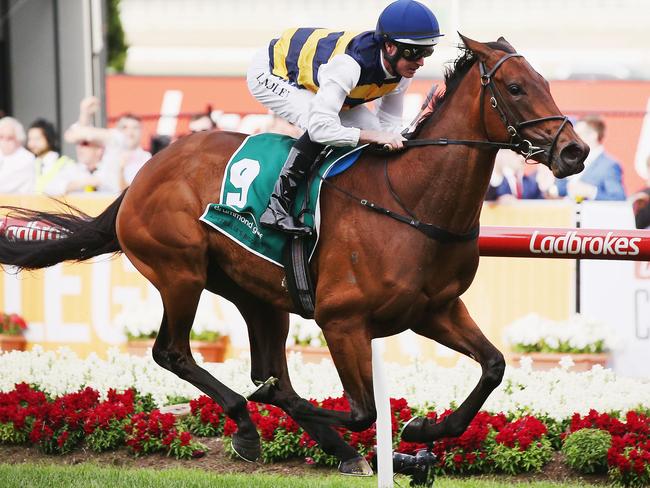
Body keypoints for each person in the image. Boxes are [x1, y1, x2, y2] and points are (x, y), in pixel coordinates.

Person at [247, 0, 443, 235]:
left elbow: (388, 127)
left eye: (427, 52)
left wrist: (397, 134)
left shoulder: (402, 72)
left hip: (320, 80)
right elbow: (320, 129)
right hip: (272, 71)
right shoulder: (349, 66)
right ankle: (277, 206)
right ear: (390, 47)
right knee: (319, 122)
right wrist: (372, 136)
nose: (421, 62)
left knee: (375, 132)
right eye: (416, 53)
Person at [64, 97, 151, 192]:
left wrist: (120, 171)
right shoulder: (110, 148)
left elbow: (132, 192)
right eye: (124, 127)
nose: (130, 132)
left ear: (142, 131)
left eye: (135, 128)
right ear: (116, 130)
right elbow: (73, 136)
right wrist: (85, 113)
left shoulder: (146, 159)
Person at [554, 115, 625, 201]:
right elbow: (561, 191)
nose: (573, 140)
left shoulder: (609, 165)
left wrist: (591, 192)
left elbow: (619, 199)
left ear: (593, 135)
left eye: (578, 135)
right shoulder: (570, 160)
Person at [27, 118, 78, 196]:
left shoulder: (65, 164)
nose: (31, 143)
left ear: (49, 139)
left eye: (37, 139)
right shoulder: (32, 163)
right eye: (30, 139)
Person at [485, 150, 554, 202]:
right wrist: (501, 198)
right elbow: (491, 198)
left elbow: (539, 199)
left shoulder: (530, 182)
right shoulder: (500, 180)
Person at [0, 116, 35, 194]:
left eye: (10, 138)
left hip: (17, 203)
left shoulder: (27, 158)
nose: (4, 141)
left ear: (19, 139)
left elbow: (4, 185)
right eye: (1, 137)